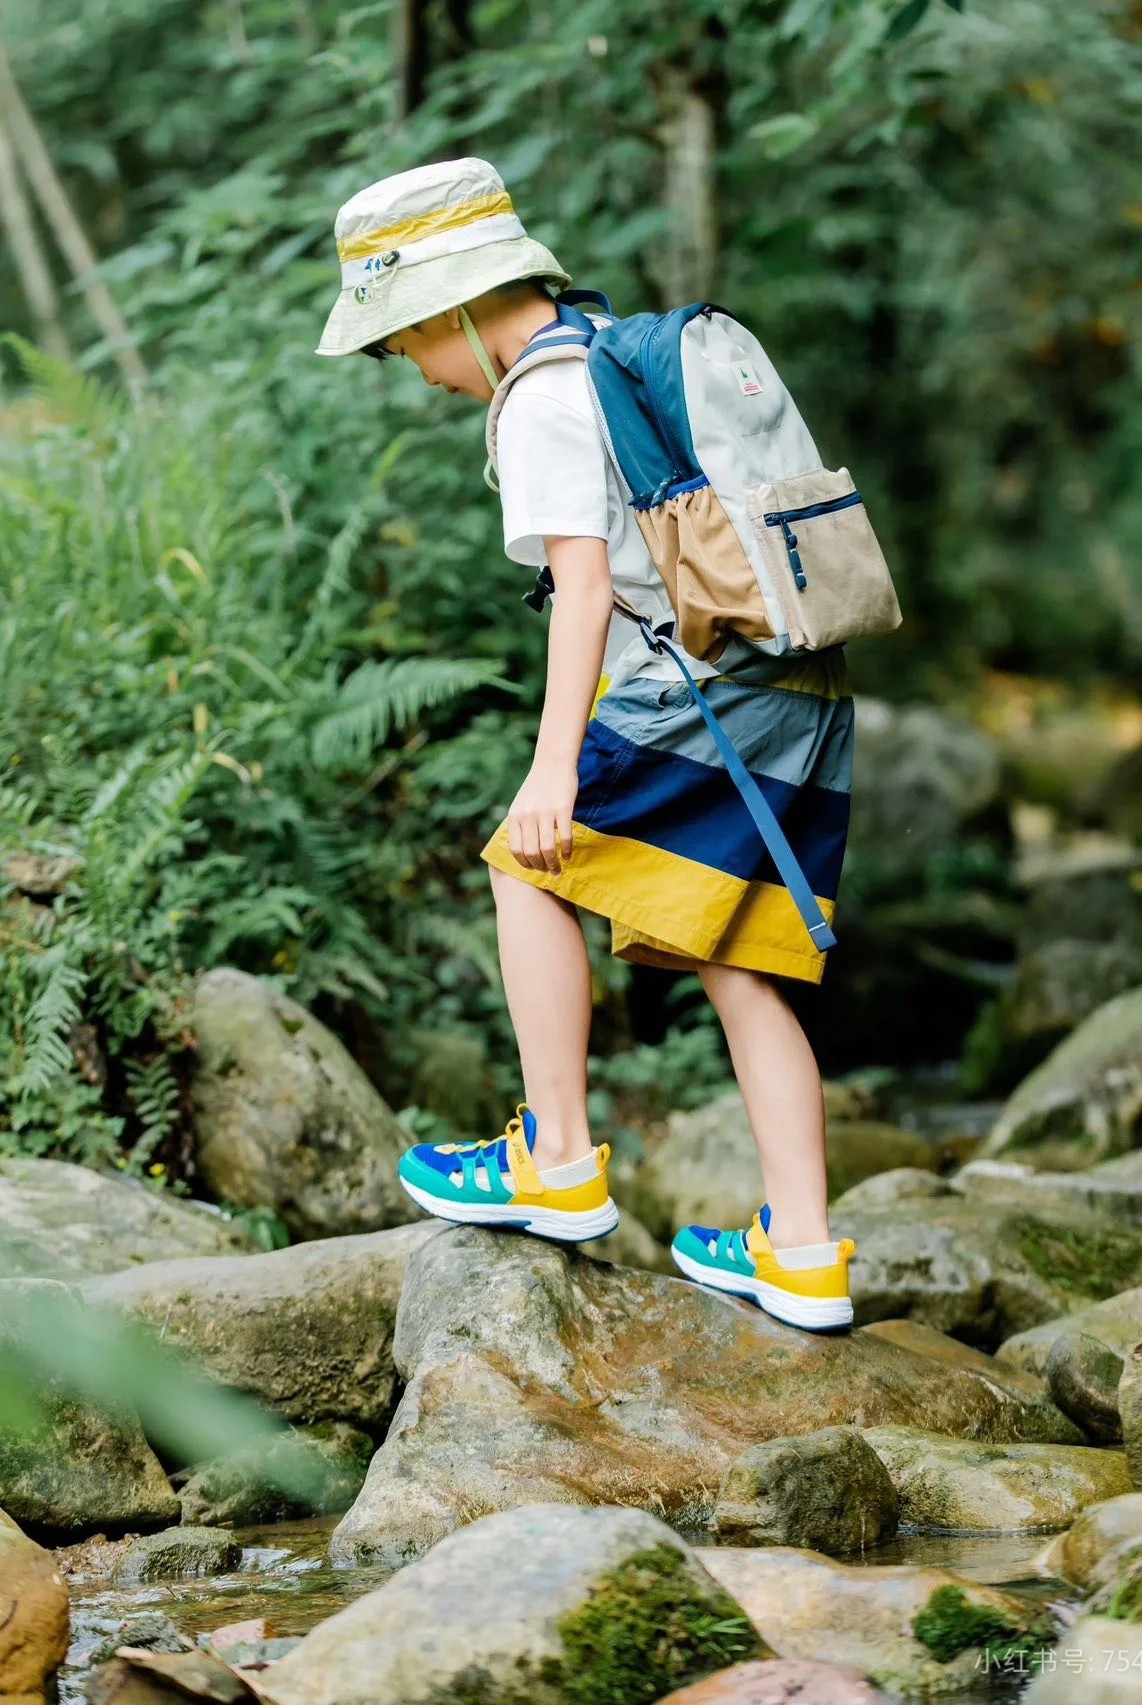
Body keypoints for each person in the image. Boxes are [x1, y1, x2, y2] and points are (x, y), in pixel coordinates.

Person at [317, 157, 857, 1333]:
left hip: (702, 695)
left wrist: (551, 766)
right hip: (795, 683)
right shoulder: (606, 346)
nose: (418, 371)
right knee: (744, 963)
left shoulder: (546, 397)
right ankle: (804, 1252)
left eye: (406, 343)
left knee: (526, 864)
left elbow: (580, 590)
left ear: (449, 307)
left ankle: (557, 1157)